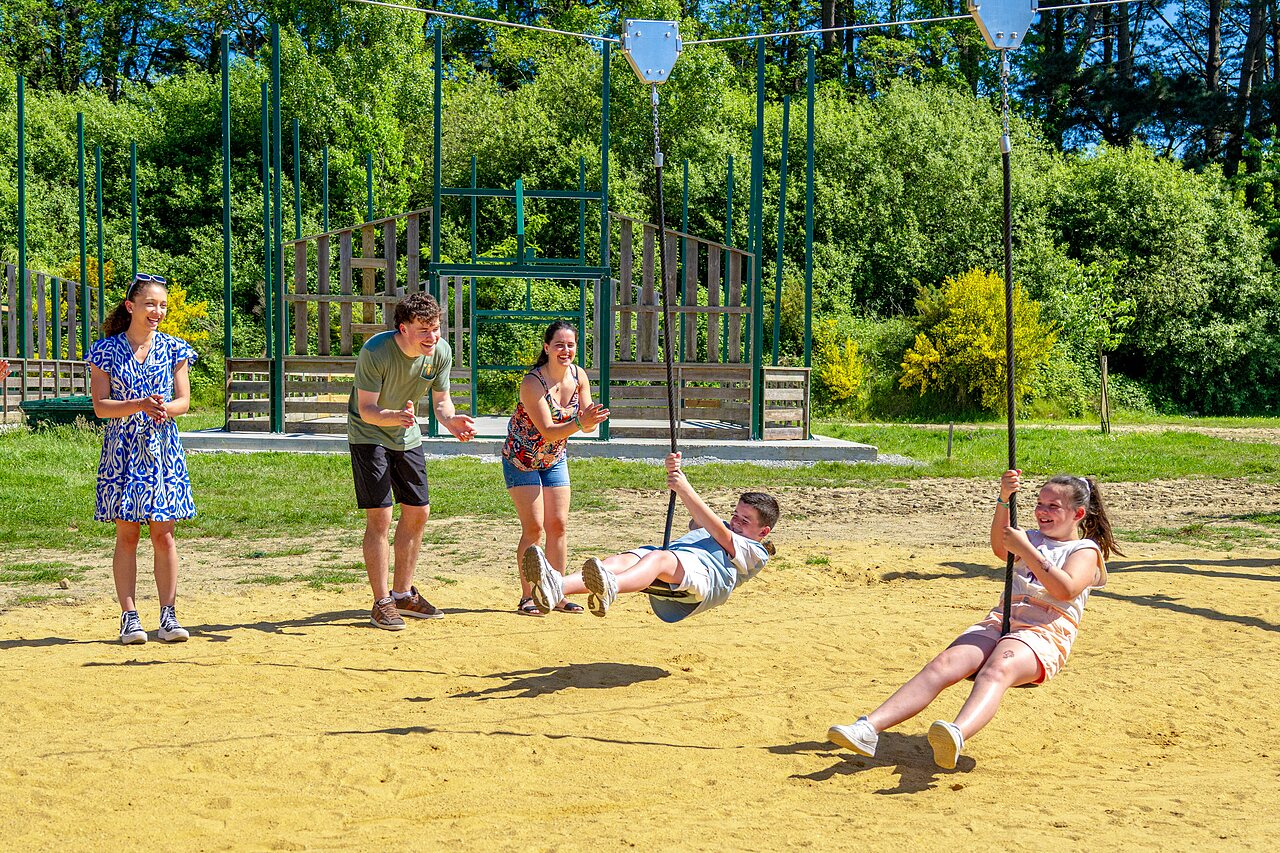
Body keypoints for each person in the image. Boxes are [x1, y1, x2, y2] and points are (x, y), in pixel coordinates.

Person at [827, 470, 1122, 769]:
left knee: (996, 671)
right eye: (1039, 503)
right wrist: (1004, 499)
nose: (1042, 512)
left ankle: (956, 733)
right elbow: (999, 547)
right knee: (943, 665)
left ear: (1078, 513)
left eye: (1053, 507)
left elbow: (1065, 588)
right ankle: (867, 728)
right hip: (1001, 621)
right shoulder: (1029, 537)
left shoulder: (1084, 550)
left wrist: (1026, 550)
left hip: (1043, 632)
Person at [522, 451, 779, 622]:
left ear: (763, 532)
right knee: (620, 560)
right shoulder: (724, 526)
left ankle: (612, 587)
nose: (735, 522)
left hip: (705, 581)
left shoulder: (755, 552)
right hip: (681, 565)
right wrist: (675, 473)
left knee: (659, 558)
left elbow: (719, 533)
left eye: (745, 521)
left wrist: (684, 486)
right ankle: (556, 587)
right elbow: (700, 519)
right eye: (735, 515)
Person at [348, 292, 476, 631]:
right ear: (403, 328)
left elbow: (442, 402)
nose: (432, 337)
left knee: (419, 510)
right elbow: (366, 409)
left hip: (406, 434)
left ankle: (403, 594)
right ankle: (382, 602)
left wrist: (451, 422)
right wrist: (392, 416)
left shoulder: (441, 352)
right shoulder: (376, 351)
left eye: (435, 328)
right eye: (423, 330)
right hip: (369, 434)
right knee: (381, 517)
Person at [86, 273, 197, 645]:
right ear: (131, 306)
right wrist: (138, 405)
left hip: (163, 450)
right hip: (122, 451)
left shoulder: (175, 349)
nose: (158, 311)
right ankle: (129, 617)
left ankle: (168, 616)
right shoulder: (105, 351)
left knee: (164, 533)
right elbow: (100, 407)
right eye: (151, 304)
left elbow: (184, 400)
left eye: (163, 305)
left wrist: (168, 410)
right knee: (127, 533)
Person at [503, 320, 609, 616]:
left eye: (571, 345)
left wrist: (590, 420)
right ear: (547, 348)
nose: (566, 350)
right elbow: (549, 430)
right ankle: (528, 597)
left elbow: (584, 424)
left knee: (558, 526)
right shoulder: (532, 383)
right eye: (559, 345)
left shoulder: (579, 376)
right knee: (534, 528)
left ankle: (557, 591)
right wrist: (580, 423)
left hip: (554, 459)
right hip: (521, 459)